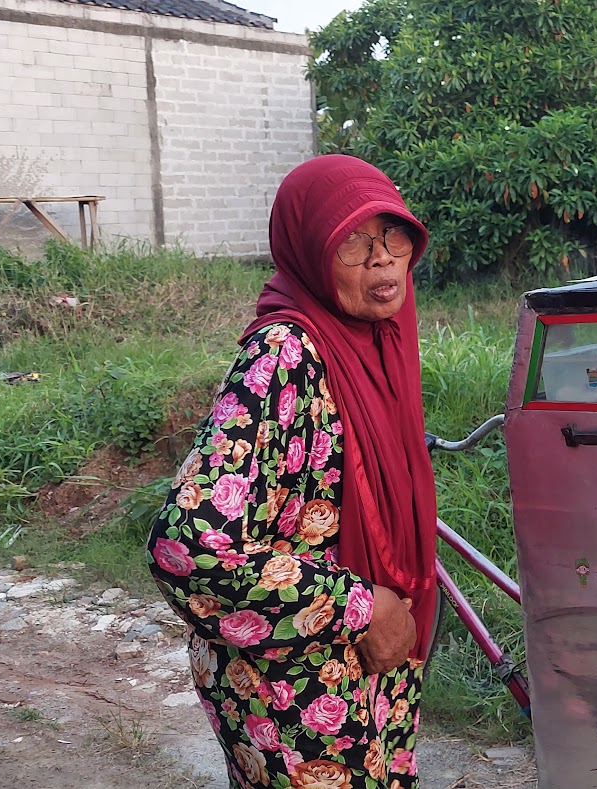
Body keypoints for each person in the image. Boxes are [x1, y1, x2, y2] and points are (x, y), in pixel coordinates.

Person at [147, 155, 438, 789]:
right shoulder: (284, 357)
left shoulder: (379, 339)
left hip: (366, 666)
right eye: (353, 242)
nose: (382, 258)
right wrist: (363, 608)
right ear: (308, 251)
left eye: (393, 234)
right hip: (294, 680)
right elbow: (186, 544)